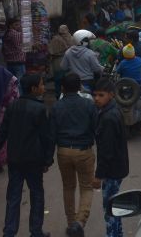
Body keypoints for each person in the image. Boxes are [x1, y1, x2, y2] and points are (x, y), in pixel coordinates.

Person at [0, 74, 53, 237]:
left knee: (13, 196)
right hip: (34, 160)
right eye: (41, 84)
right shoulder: (40, 108)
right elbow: (47, 137)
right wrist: (47, 159)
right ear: (34, 89)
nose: (43, 87)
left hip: (15, 159)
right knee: (37, 194)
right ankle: (36, 231)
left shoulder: (12, 106)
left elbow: (2, 132)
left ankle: (9, 232)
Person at [49, 73, 97, 237]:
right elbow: (95, 128)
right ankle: (79, 222)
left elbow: (52, 133)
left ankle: (71, 223)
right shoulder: (88, 105)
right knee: (86, 187)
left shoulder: (56, 106)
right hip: (84, 150)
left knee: (68, 187)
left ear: (62, 88)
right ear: (80, 87)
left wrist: (48, 158)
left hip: (63, 151)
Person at [91, 79, 130, 237]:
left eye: (101, 95)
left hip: (112, 170)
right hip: (117, 167)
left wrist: (98, 175)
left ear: (111, 95)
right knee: (114, 206)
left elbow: (106, 151)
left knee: (110, 209)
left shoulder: (108, 117)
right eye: (95, 95)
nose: (97, 98)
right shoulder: (111, 110)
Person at [49, 24, 74, 99]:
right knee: (68, 82)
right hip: (69, 63)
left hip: (57, 63)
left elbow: (50, 52)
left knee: (58, 82)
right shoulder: (72, 38)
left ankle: (58, 97)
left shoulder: (55, 39)